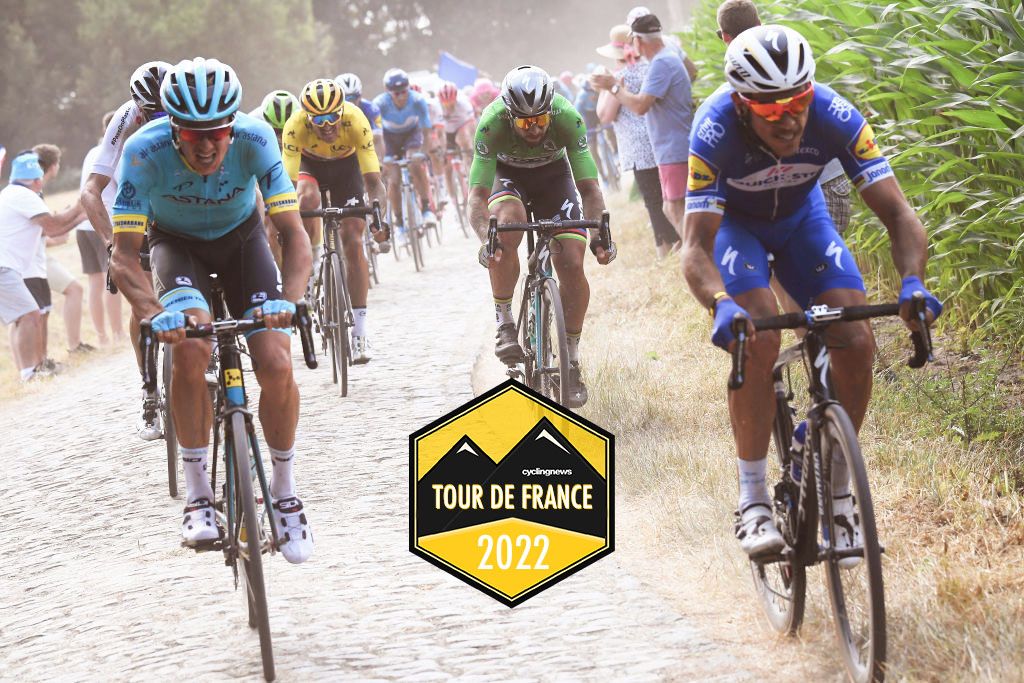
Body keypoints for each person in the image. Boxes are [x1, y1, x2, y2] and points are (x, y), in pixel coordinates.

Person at [681, 26, 942, 558]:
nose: (791, 117)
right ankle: (753, 500)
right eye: (773, 111)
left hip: (803, 220)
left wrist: (913, 281)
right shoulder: (713, 131)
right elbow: (695, 248)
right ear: (741, 104)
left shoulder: (836, 114)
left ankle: (838, 493)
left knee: (857, 337)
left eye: (798, 102)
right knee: (758, 334)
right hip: (737, 228)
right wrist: (720, 304)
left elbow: (898, 213)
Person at [110, 57, 315, 562]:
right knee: (191, 349)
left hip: (243, 243)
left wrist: (288, 300)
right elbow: (122, 256)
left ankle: (285, 492)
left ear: (232, 127)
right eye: (192, 135)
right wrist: (155, 312)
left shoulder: (255, 139)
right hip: (176, 247)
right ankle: (200, 495)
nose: (205, 146)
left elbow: (293, 235)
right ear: (171, 127)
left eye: (217, 133)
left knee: (275, 361)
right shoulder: (142, 151)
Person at [469, 65, 616, 408]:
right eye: (523, 122)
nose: (533, 128)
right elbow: (477, 198)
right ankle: (505, 321)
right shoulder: (491, 124)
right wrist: (484, 238)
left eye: (539, 120)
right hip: (508, 178)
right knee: (508, 223)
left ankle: (572, 360)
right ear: (509, 116)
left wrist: (598, 237)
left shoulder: (567, 117)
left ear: (550, 110)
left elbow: (590, 189)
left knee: (571, 260)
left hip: (554, 177)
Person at [80, 60, 171, 440]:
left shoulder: (192, 105)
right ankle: (150, 391)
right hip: (135, 208)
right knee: (142, 304)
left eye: (165, 109)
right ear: (138, 107)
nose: (160, 117)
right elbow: (89, 191)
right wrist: (110, 244)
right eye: (151, 111)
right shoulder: (125, 118)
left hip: (179, 200)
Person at [281, 78, 389, 363]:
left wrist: (378, 216)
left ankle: (360, 333)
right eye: (319, 119)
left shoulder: (356, 120)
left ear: (342, 111)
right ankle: (311, 257)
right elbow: (286, 186)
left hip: (346, 170)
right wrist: (284, 224)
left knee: (353, 240)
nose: (327, 125)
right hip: (310, 167)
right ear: (307, 117)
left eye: (333, 116)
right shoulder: (295, 127)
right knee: (305, 198)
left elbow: (374, 182)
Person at [592, 13, 692, 239]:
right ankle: (693, 250)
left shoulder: (660, 63)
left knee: (674, 207)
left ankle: (698, 253)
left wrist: (613, 87)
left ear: (637, 40)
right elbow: (692, 72)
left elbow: (638, 106)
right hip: (669, 144)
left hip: (672, 146)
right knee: (669, 207)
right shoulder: (665, 58)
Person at [0, 152, 82, 381]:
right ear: (37, 180)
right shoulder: (26, 196)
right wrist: (80, 208)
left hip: (9, 267)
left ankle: (31, 370)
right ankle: (30, 373)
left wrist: (78, 216)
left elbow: (49, 230)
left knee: (27, 315)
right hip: (4, 266)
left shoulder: (11, 193)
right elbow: (54, 227)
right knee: (29, 315)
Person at [32, 144, 89, 357]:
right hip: (34, 259)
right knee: (74, 290)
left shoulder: (36, 190)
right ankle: (72, 347)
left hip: (37, 256)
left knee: (37, 311)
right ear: (53, 166)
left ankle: (43, 359)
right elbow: (37, 234)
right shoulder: (34, 192)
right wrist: (57, 238)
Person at [77, 112, 125, 346]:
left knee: (94, 284)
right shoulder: (115, 153)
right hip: (105, 222)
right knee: (112, 279)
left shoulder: (90, 154)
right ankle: (117, 332)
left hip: (84, 226)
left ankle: (101, 335)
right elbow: (120, 186)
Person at [374, 69, 438, 236]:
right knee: (393, 180)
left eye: (404, 91)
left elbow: (426, 130)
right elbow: (376, 136)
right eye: (396, 93)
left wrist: (424, 153)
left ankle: (426, 209)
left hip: (412, 134)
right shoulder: (380, 104)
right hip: (389, 138)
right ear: (388, 92)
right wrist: (382, 159)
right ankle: (400, 223)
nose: (401, 96)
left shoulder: (417, 100)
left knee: (415, 164)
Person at [436, 81, 477, 206]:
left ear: (456, 98)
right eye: (445, 103)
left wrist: (472, 147)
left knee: (465, 140)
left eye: (451, 102)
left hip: (461, 128)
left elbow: (472, 127)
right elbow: (438, 133)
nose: (448, 105)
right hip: (445, 133)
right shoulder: (436, 107)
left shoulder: (464, 104)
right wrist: (442, 150)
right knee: (447, 167)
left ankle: (470, 171)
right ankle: (454, 202)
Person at [336, 73, 385, 165]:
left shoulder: (370, 109)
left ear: (360, 95)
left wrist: (380, 162)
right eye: (345, 98)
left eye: (354, 97)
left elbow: (378, 139)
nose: (350, 102)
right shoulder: (331, 113)